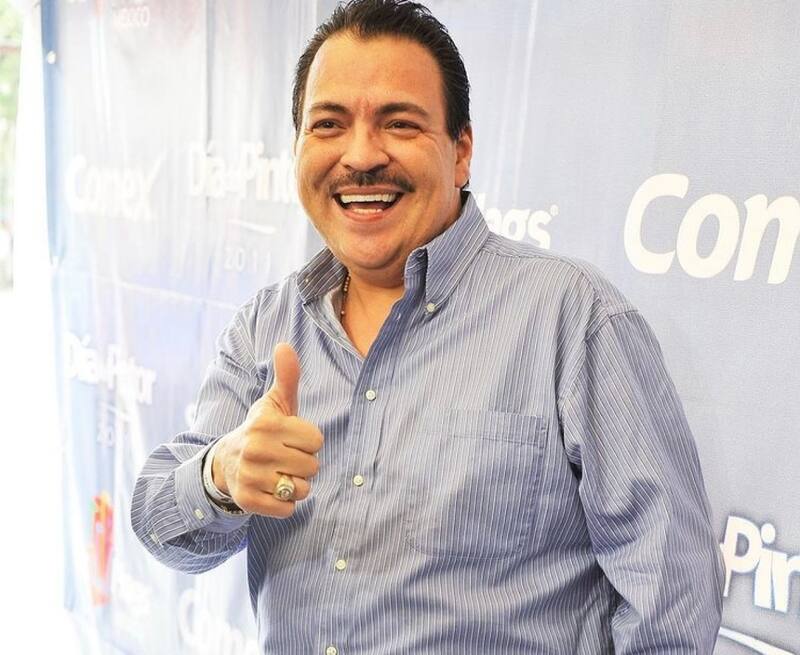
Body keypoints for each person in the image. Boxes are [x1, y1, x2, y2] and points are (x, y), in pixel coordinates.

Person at [131, 1, 724, 652]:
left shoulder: (574, 319)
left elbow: (671, 604)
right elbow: (161, 525)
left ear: (461, 151)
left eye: (399, 123)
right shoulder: (266, 327)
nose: (361, 155)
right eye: (328, 124)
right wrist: (219, 475)